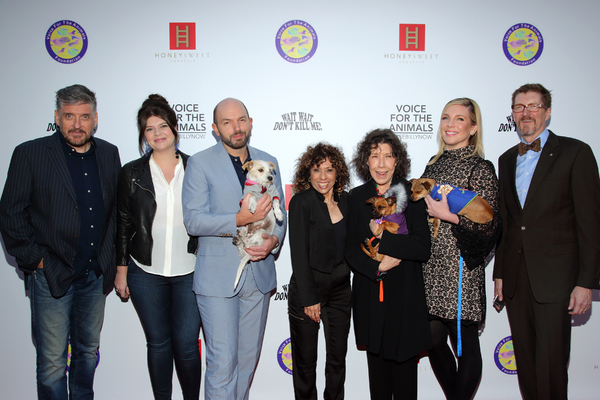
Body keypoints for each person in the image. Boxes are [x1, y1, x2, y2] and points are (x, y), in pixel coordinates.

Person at [0, 84, 121, 399]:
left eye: (84, 116)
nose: (77, 124)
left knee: (87, 353)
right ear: (57, 116)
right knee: (53, 362)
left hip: (95, 275)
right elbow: (10, 214)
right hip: (52, 272)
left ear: (95, 118)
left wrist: (109, 260)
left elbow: (117, 212)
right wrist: (36, 260)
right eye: (69, 116)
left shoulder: (109, 153)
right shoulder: (30, 153)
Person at [493, 83, 600, 400]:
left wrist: (586, 282)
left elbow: (590, 224)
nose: (525, 113)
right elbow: (508, 224)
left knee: (551, 365)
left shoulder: (575, 152)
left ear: (547, 112)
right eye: (519, 107)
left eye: (533, 106)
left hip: (557, 280)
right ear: (513, 114)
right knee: (525, 363)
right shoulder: (506, 159)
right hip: (516, 278)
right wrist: (500, 272)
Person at [182, 97, 287, 400]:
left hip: (258, 275)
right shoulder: (200, 163)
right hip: (217, 277)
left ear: (250, 122)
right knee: (222, 363)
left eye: (241, 119)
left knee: (246, 362)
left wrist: (274, 240)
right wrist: (238, 219)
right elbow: (194, 220)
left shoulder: (268, 160)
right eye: (227, 122)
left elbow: (279, 212)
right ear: (215, 129)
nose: (236, 127)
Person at [114, 94, 201, 399]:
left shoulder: (196, 167)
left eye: (162, 125)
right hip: (144, 271)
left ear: (175, 127)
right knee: (159, 344)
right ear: (143, 136)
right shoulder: (131, 173)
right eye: (149, 129)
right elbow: (123, 223)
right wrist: (121, 271)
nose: (157, 133)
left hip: (190, 270)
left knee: (188, 344)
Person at [420, 98, 501, 400]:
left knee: (464, 343)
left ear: (473, 127)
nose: (450, 125)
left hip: (461, 267)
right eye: (445, 118)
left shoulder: (480, 168)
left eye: (459, 119)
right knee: (432, 339)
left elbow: (491, 226)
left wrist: (449, 216)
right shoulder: (433, 164)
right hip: (430, 266)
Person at [345, 128, 432, 400]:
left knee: (406, 384)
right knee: (379, 385)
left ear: (397, 160)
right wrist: (377, 267)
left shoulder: (412, 193)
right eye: (374, 156)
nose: (381, 164)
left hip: (405, 296)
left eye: (388, 156)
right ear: (366, 161)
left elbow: (421, 246)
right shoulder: (356, 197)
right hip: (371, 296)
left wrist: (384, 241)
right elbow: (349, 248)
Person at [288, 143, 351, 400]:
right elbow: (298, 254)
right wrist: (310, 298)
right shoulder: (301, 202)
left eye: (329, 170)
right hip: (308, 291)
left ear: (338, 174)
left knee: (337, 362)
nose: (323, 177)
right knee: (305, 364)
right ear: (308, 173)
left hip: (340, 291)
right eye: (317, 170)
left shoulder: (347, 201)